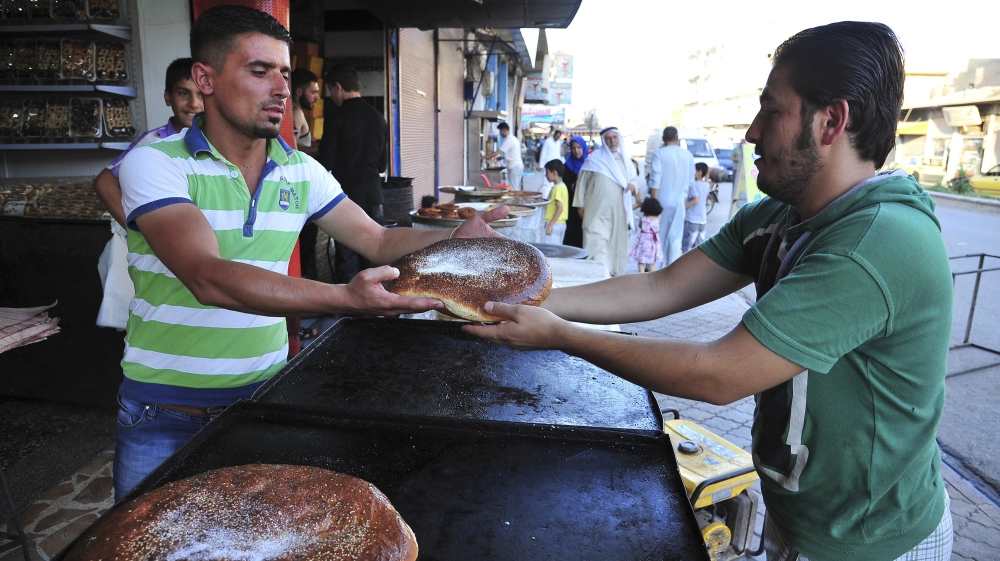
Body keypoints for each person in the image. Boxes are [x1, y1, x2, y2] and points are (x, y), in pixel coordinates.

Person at [465, 21, 953, 561]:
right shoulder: (782, 216)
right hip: (803, 517)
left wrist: (561, 336)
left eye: (772, 110)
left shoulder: (874, 243)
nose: (750, 133)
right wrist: (513, 301)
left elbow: (718, 373)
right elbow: (661, 286)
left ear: (831, 122)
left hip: (875, 543)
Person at [112, 5, 509, 502]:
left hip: (263, 399)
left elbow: (378, 240)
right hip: (164, 413)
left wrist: (457, 238)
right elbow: (206, 276)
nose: (282, 89)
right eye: (260, 71)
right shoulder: (155, 162)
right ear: (204, 79)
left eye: (283, 72)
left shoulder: (300, 170)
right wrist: (345, 297)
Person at [92, 58, 203, 329]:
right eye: (183, 93)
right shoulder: (153, 142)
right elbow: (104, 181)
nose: (193, 103)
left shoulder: (219, 141)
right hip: (158, 253)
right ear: (168, 97)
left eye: (200, 93)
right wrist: (136, 230)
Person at [318, 64, 388, 284]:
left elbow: (326, 161)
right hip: (373, 196)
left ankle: (351, 313)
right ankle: (377, 310)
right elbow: (382, 165)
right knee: (374, 253)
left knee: (347, 258)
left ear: (337, 87)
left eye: (330, 92)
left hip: (345, 198)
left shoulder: (337, 116)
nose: (332, 97)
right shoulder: (378, 118)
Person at [572, 126, 638, 277]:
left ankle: (612, 273)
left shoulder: (625, 161)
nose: (612, 141)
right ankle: (597, 274)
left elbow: (634, 178)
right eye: (608, 138)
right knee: (595, 239)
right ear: (603, 141)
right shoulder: (594, 159)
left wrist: (633, 185)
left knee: (615, 243)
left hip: (618, 211)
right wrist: (580, 204)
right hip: (596, 210)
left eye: (614, 137)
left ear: (619, 139)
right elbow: (582, 183)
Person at [648, 126, 696, 266]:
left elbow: (655, 180)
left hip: (661, 202)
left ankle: (656, 270)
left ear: (663, 139)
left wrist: (652, 207)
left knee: (659, 238)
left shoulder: (659, 154)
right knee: (675, 238)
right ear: (677, 138)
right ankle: (672, 270)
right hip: (680, 201)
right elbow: (691, 182)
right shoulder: (688, 155)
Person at [561, 135, 588, 247]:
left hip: (587, 205)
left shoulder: (590, 165)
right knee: (572, 232)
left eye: (579, 147)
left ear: (583, 148)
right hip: (571, 205)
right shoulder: (567, 165)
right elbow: (565, 186)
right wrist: (575, 183)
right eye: (573, 148)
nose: (576, 151)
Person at [481, 122, 523, 190]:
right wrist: (502, 158)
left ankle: (515, 199)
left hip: (514, 166)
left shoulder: (509, 140)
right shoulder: (514, 139)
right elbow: (512, 154)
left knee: (513, 187)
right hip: (518, 165)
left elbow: (495, 153)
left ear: (504, 130)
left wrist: (482, 157)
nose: (500, 134)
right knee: (516, 186)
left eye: (500, 131)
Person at [628, 197, 663, 273]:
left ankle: (641, 274)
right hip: (653, 242)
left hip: (643, 241)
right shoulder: (657, 219)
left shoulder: (643, 219)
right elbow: (660, 214)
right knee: (651, 262)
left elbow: (640, 226)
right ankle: (654, 275)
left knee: (641, 261)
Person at [682, 162, 711, 253]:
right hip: (702, 219)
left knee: (687, 247)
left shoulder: (693, 185)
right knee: (699, 248)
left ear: (699, 172)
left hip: (692, 219)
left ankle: (686, 266)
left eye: (694, 170)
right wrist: (708, 173)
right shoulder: (706, 185)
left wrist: (683, 207)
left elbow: (695, 200)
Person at [290, 68, 319, 155]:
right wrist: (322, 148)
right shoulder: (297, 113)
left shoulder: (294, 111)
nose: (317, 97)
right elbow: (291, 150)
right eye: (313, 92)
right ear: (299, 92)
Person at [542, 159, 568, 245]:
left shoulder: (557, 188)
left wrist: (550, 225)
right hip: (560, 224)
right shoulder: (563, 186)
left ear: (554, 173)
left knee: (552, 249)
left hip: (555, 224)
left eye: (547, 172)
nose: (546, 175)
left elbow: (560, 208)